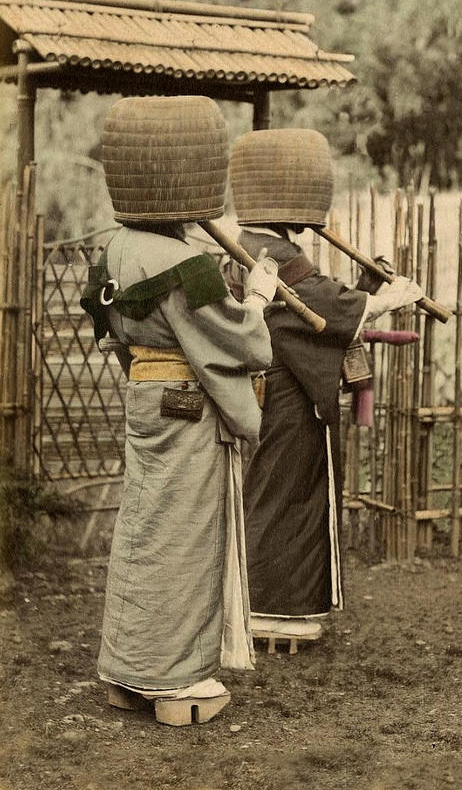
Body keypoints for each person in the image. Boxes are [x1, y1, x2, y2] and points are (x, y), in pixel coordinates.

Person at [81, 95, 278, 725]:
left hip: (146, 399)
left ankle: (128, 670)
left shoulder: (114, 250)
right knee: (185, 535)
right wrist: (260, 296)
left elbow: (111, 329)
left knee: (143, 525)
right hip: (189, 409)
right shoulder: (185, 262)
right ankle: (170, 678)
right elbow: (235, 339)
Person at [228, 128, 422, 648]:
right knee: (288, 492)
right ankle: (274, 605)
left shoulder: (248, 244)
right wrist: (392, 297)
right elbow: (321, 310)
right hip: (286, 393)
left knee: (277, 489)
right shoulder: (271, 252)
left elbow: (320, 314)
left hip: (271, 389)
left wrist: (365, 291)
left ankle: (266, 599)